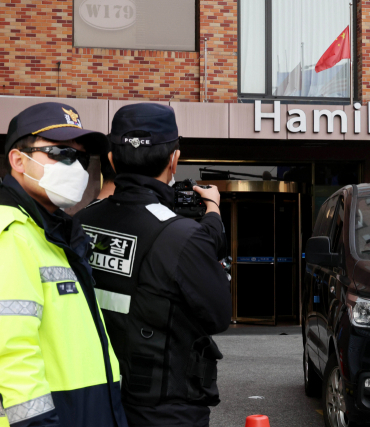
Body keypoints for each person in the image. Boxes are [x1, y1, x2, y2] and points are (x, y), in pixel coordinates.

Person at [74, 103, 231, 427]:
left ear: (112, 160)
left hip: (94, 397)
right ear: (174, 160)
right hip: (163, 409)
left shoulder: (80, 223)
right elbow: (218, 316)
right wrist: (213, 208)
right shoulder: (182, 236)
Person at [0, 102, 128, 427]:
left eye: (81, 158)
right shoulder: (11, 233)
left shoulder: (54, 231)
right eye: (61, 153)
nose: (76, 168)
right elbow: (11, 354)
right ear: (18, 160)